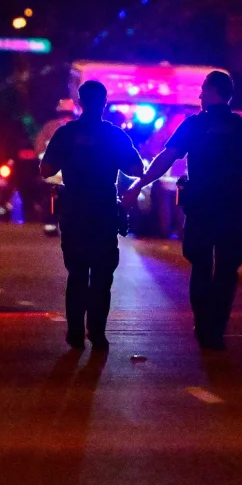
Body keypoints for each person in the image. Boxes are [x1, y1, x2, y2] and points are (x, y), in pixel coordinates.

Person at [124, 71, 242, 350]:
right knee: (228, 269)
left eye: (203, 90)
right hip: (233, 203)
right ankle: (216, 327)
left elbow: (165, 160)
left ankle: (204, 323)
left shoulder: (194, 125)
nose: (199, 96)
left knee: (201, 265)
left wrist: (138, 185)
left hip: (202, 204)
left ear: (213, 91)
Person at [40, 81, 144, 351]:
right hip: (103, 210)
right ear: (104, 102)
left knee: (76, 273)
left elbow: (45, 168)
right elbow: (136, 167)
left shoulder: (66, 134)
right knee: (101, 275)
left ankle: (75, 332)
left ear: (80, 102)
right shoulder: (115, 135)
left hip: (74, 208)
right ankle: (97, 332)